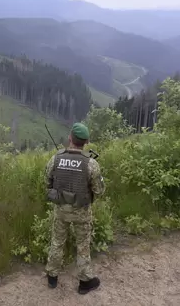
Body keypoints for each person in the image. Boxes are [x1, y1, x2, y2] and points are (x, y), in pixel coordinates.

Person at [44, 122, 105, 295]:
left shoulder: (55, 158)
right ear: (86, 142)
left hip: (61, 209)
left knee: (57, 242)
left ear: (70, 138)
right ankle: (85, 282)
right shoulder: (91, 163)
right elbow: (99, 191)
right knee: (83, 245)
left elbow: (47, 182)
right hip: (82, 212)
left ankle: (52, 276)